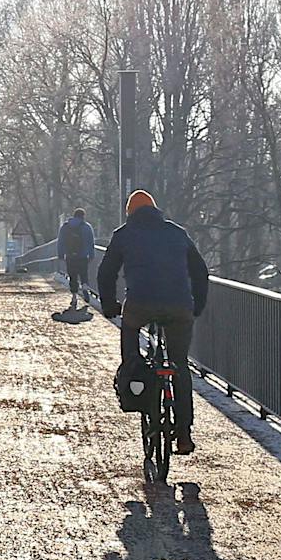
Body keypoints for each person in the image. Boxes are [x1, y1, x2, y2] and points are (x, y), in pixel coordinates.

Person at [97, 191, 210, 455]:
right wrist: (197, 306)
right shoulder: (177, 233)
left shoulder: (123, 234)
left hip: (140, 305)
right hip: (179, 306)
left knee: (130, 333)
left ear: (130, 213)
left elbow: (106, 273)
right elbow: (200, 271)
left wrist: (109, 305)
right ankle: (183, 434)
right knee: (179, 365)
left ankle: (133, 378)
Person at [57, 208, 96, 308]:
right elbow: (91, 243)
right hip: (83, 256)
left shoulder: (65, 227)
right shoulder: (87, 227)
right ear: (83, 216)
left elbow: (60, 241)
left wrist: (61, 254)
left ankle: (74, 297)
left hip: (70, 256)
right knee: (83, 274)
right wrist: (91, 255)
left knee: (72, 276)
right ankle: (85, 287)